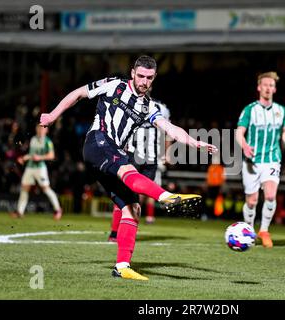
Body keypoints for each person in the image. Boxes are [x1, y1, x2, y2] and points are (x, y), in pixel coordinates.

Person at [39, 55, 217, 281]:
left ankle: (122, 266)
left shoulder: (148, 106)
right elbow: (79, 93)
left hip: (112, 154)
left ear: (154, 79)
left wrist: (194, 142)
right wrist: (53, 115)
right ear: (133, 72)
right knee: (128, 171)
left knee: (132, 208)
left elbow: (170, 128)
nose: (144, 81)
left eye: (149, 78)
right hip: (98, 142)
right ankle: (167, 197)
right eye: (140, 75)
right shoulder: (114, 84)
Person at [235, 71, 285, 248]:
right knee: (252, 201)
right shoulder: (250, 109)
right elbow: (239, 132)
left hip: (272, 159)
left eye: (271, 85)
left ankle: (264, 230)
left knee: (270, 195)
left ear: (274, 89)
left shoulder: (281, 110)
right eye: (265, 85)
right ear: (259, 87)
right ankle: (249, 231)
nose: (268, 88)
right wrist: (245, 146)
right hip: (252, 160)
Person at [108, 97, 171, 242]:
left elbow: (167, 132)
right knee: (123, 194)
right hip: (132, 155)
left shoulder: (162, 108)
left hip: (151, 159)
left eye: (149, 78)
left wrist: (167, 153)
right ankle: (114, 232)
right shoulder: (128, 103)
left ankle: (126, 234)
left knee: (139, 198)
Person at [11, 124, 63, 220]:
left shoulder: (47, 141)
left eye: (42, 128)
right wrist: (23, 158)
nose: (39, 130)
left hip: (40, 168)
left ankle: (58, 209)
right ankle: (20, 211)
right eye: (38, 128)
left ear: (46, 130)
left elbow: (51, 155)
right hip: (30, 167)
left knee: (46, 189)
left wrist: (40, 157)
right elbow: (31, 154)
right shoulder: (33, 139)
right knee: (24, 188)